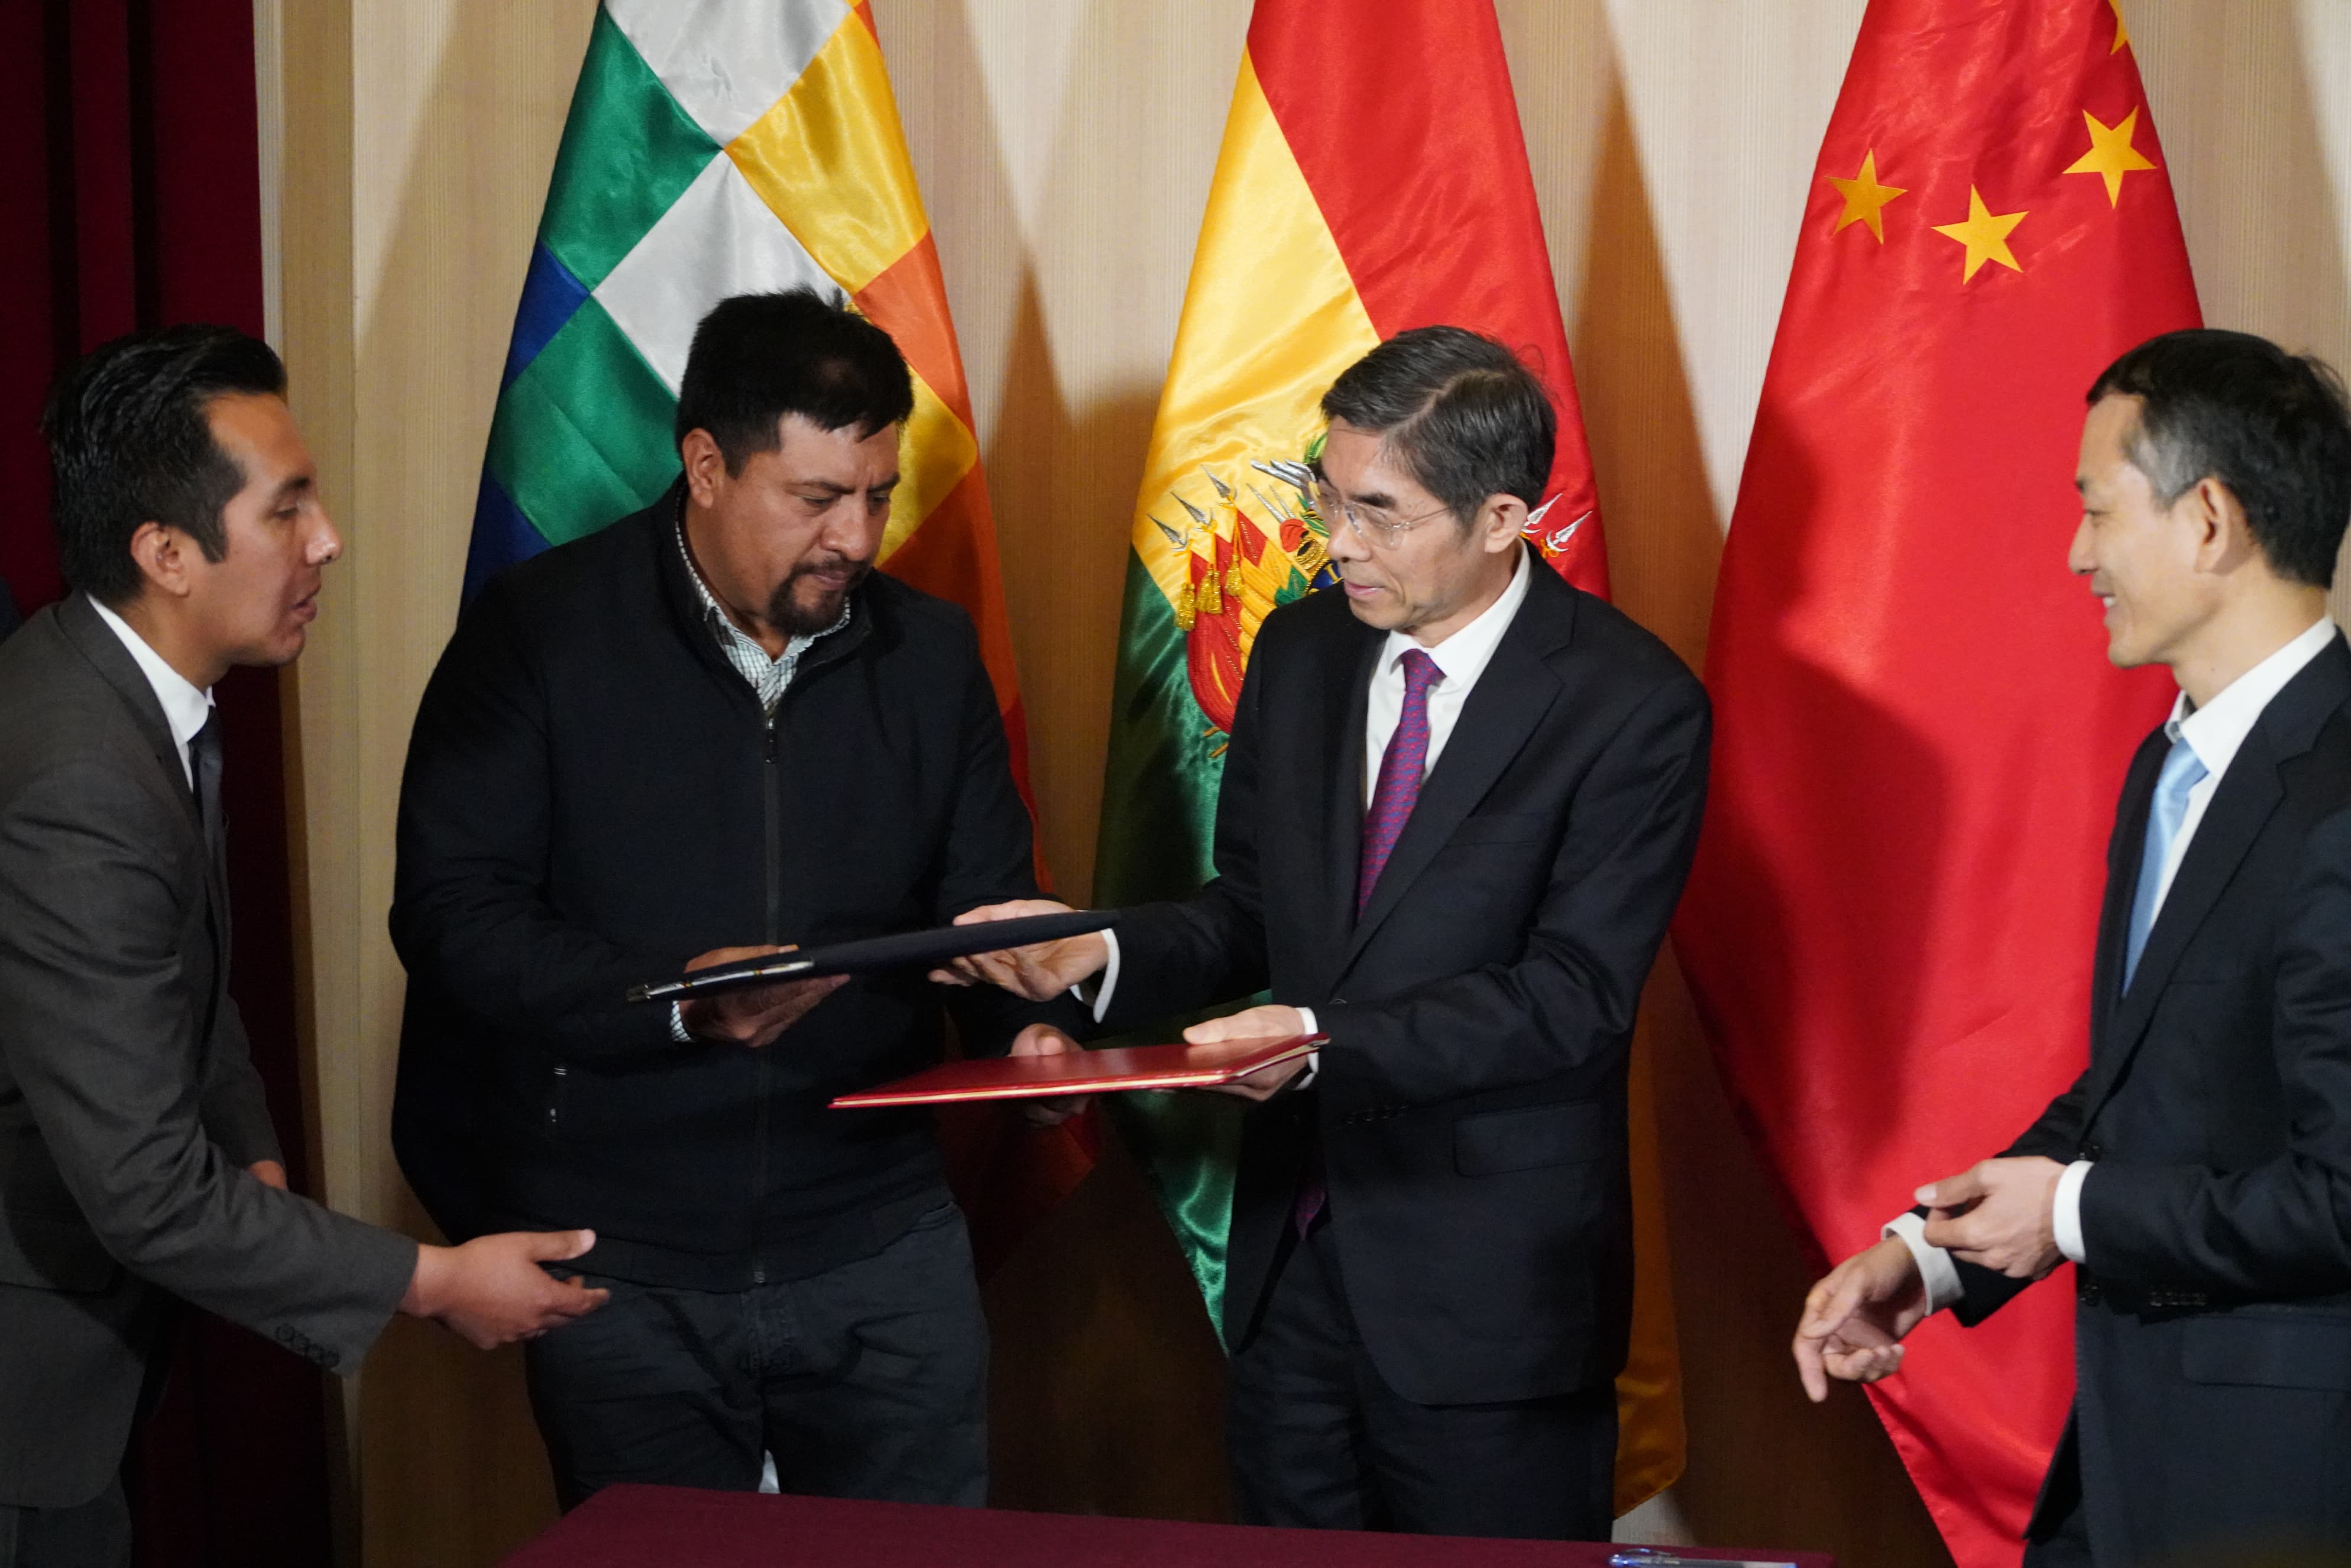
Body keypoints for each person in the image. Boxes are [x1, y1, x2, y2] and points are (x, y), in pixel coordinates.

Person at [944, 327, 1711, 1540]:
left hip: (1488, 1304)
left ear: (1501, 519)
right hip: (1290, 1273)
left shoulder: (1632, 706)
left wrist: (1317, 1041)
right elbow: (1252, 909)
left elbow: (1573, 996)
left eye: (1377, 513)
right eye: (1326, 497)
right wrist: (1098, 952)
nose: (1335, 542)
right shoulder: (1301, 651)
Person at [390, 288, 1081, 1512]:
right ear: (705, 466)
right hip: (622, 1256)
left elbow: (983, 904)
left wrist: (1028, 1034)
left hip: (881, 1243)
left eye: (878, 495)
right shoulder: (537, 633)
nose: (856, 538)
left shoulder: (929, 655)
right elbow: (452, 917)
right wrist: (672, 1005)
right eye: (816, 498)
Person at [0, 325, 606, 1568]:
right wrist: (434, 1281)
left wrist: (253, 1154)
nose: (326, 540)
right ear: (166, 552)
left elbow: (184, 975)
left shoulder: (118, 687)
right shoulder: (77, 775)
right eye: (286, 511)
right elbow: (147, 1191)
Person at [1793, 329, 2351, 1566]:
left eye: (2098, 511)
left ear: (2208, 521)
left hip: (2281, 1489)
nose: (2076, 554)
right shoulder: (2171, 763)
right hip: (2131, 1461)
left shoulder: (2339, 798)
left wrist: (2072, 1212)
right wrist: (1931, 1259)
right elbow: (2141, 1089)